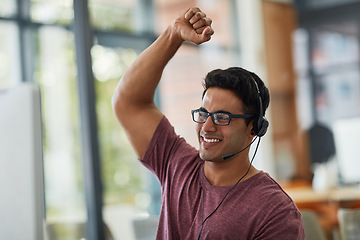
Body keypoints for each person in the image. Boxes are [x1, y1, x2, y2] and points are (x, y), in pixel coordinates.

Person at [112, 7, 305, 239]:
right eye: (204, 114)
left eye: (222, 118)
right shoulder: (177, 163)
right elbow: (128, 102)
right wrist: (173, 35)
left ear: (254, 128)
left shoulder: (274, 210)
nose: (206, 127)